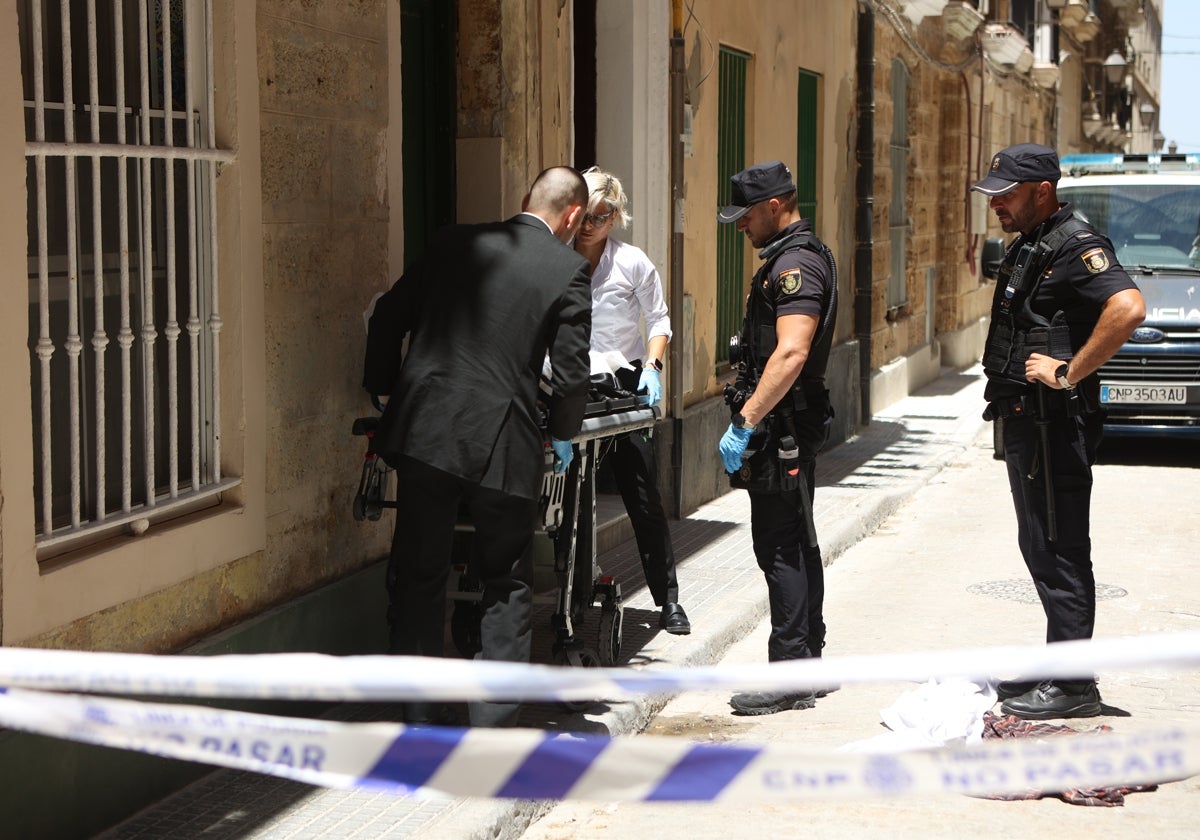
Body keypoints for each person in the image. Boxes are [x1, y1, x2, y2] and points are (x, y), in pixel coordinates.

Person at [361, 166, 593, 727]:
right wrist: (563, 434)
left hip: (425, 433)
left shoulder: (452, 241)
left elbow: (387, 314)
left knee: (420, 574)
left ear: (523, 200)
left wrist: (387, 388)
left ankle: (416, 715)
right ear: (574, 217)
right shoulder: (568, 270)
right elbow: (570, 376)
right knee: (505, 582)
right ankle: (493, 725)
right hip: (501, 446)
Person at [971, 143, 1145, 720]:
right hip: (1027, 424)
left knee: (1060, 546)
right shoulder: (1033, 243)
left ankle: (1073, 685)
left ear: (1042, 190)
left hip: (1053, 426)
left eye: (1006, 195)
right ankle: (1058, 667)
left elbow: (1127, 308)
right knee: (1040, 544)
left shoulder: (1078, 245)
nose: (996, 205)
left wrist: (1069, 372)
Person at [714, 160, 838, 716]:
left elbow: (791, 350)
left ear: (774, 206)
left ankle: (790, 673)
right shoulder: (793, 257)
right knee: (798, 538)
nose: (741, 228)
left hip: (781, 428)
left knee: (781, 546)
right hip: (786, 423)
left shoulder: (795, 265)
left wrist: (746, 422)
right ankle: (808, 661)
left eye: (746, 217)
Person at [573, 166, 690, 635]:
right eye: (583, 214)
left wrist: (652, 369)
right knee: (570, 496)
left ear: (615, 216)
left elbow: (659, 322)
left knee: (642, 495)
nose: (588, 225)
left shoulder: (632, 262)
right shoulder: (554, 258)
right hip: (568, 385)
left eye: (599, 217)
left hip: (621, 386)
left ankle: (668, 599)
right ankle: (573, 591)